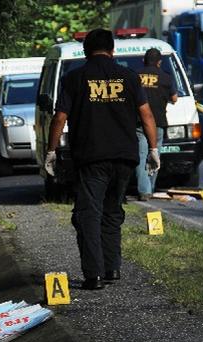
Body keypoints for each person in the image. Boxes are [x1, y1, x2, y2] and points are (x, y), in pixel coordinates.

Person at [46, 29, 159, 290]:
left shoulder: (75, 78)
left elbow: (60, 117)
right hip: (125, 158)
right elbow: (147, 115)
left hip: (92, 157)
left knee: (88, 214)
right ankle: (112, 268)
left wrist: (51, 151)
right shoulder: (129, 77)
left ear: (85, 51)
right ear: (112, 50)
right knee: (112, 211)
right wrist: (153, 149)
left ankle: (94, 275)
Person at [136, 48, 178, 200]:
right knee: (154, 156)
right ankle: (150, 188)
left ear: (143, 61)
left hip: (139, 123)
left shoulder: (135, 76)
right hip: (158, 123)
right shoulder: (166, 78)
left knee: (140, 157)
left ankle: (144, 191)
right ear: (160, 62)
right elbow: (174, 99)